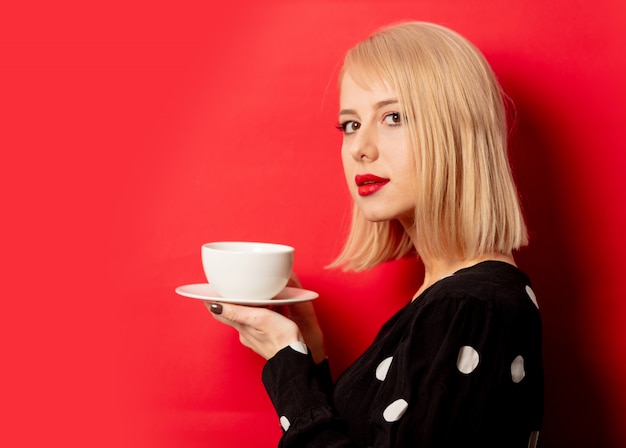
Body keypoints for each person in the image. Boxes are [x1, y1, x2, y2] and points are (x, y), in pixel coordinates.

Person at [207, 21, 543, 447]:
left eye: (393, 117)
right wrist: (307, 358)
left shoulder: (467, 305)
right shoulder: (452, 297)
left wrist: (286, 366)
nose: (359, 147)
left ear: (457, 133)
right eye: (349, 124)